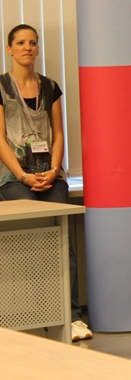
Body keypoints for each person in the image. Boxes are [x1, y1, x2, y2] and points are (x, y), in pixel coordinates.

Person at [0, 24, 92, 342]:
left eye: (32, 43)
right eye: (20, 43)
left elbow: (59, 134)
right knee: (29, 245)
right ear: (9, 49)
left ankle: (72, 317)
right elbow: (0, 139)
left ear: (38, 49)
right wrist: (23, 175)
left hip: (51, 175)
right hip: (14, 177)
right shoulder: (0, 87)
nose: (27, 47)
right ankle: (31, 317)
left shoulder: (50, 86)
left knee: (63, 244)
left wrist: (54, 170)